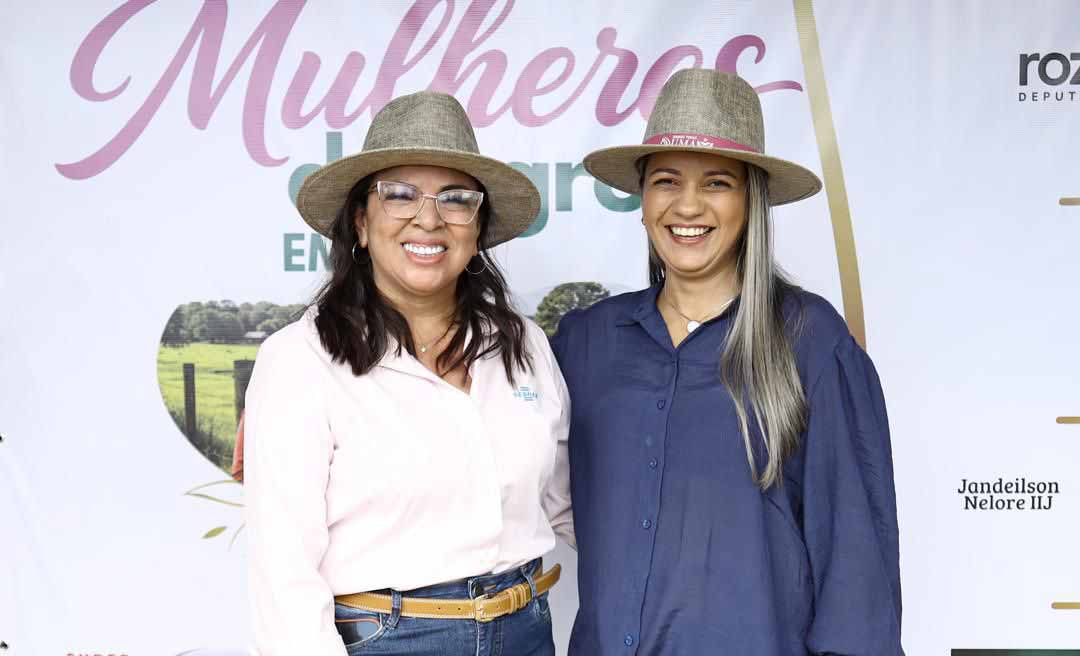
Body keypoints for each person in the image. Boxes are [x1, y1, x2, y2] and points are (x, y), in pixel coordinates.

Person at [553, 69, 903, 655]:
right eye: (666, 180)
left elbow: (855, 560)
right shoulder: (587, 341)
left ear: (751, 202)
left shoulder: (810, 340)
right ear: (642, 200)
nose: (687, 205)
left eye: (716, 183)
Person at [244, 91, 573, 656]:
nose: (429, 218)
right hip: (388, 639)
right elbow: (283, 573)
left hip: (525, 630)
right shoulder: (300, 359)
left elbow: (571, 504)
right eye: (398, 195)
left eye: (456, 199)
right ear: (360, 223)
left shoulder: (524, 346)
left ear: (477, 230)